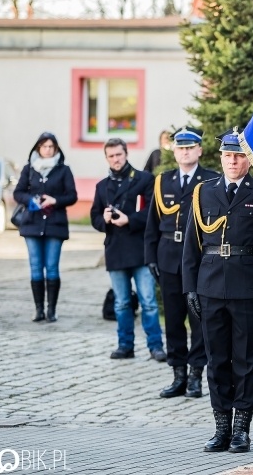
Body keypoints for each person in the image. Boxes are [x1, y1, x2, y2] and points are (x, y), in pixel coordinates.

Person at [182, 126, 253, 454]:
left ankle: (242, 428)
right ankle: (221, 426)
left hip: (248, 287)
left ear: (248, 160)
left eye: (239, 156)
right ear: (220, 157)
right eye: (228, 155)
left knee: (245, 359)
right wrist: (189, 289)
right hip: (210, 285)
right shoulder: (203, 192)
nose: (232, 161)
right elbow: (191, 246)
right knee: (217, 360)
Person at [145, 127, 220, 398]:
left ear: (199, 150)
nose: (185, 151)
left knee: (197, 317)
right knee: (174, 319)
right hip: (167, 257)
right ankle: (177, 372)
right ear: (174, 151)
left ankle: (196, 375)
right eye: (181, 147)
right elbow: (152, 224)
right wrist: (150, 256)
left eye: (190, 147)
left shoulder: (211, 180)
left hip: (198, 259)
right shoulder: (162, 181)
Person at [91, 138, 166, 362]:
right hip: (115, 250)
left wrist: (129, 220)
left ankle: (156, 346)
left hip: (140, 250)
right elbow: (94, 218)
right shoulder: (102, 186)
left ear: (126, 154)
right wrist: (104, 220)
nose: (116, 159)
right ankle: (125, 346)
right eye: (111, 156)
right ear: (107, 158)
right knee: (121, 303)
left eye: (119, 155)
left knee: (149, 302)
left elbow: (154, 212)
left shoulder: (144, 179)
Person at [13, 132, 78, 323]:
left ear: (56, 149)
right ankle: (38, 309)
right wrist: (31, 200)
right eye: (44, 146)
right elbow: (18, 193)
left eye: (51, 147)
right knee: (35, 267)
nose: (47, 150)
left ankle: (52, 310)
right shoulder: (29, 169)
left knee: (51, 267)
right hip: (32, 224)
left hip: (55, 225)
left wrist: (55, 200)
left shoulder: (63, 170)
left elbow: (72, 196)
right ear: (38, 148)